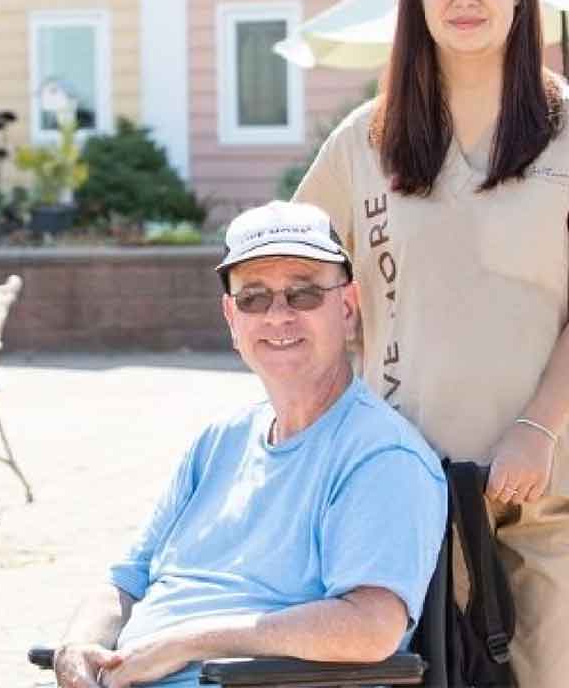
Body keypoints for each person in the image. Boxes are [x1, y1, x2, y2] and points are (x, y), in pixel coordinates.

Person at [294, 0, 569, 685]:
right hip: (406, 483)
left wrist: (536, 429)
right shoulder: (363, 142)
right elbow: (300, 290)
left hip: (554, 479)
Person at [52, 202, 447, 688]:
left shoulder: (382, 457)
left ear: (346, 309)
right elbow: (127, 579)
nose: (278, 316)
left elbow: (370, 628)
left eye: (303, 294)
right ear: (231, 319)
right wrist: (75, 646)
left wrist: (187, 643)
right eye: (253, 299)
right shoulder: (219, 443)